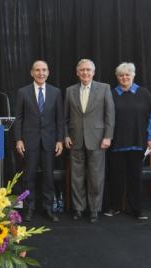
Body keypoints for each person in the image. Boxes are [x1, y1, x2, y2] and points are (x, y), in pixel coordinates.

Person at [104, 63, 151, 220]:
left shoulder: (144, 93)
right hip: (116, 142)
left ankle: (136, 209)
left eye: (127, 74)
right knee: (115, 177)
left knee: (135, 177)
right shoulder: (111, 94)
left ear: (133, 75)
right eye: (121, 75)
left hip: (138, 142)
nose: (124, 77)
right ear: (117, 77)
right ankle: (115, 206)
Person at [64, 59, 115, 223]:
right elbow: (65, 118)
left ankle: (94, 209)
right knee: (77, 176)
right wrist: (65, 135)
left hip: (98, 139)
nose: (85, 73)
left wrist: (108, 136)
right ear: (77, 73)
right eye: (82, 70)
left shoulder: (104, 88)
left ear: (93, 72)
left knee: (96, 176)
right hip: (75, 139)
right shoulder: (70, 90)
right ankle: (79, 208)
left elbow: (110, 115)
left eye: (88, 70)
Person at [14, 60, 63, 223]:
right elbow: (18, 118)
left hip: (49, 141)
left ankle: (49, 209)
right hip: (29, 141)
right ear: (32, 73)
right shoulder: (23, 92)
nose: (41, 73)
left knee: (48, 177)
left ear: (48, 72)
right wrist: (19, 139)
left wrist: (60, 140)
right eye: (37, 70)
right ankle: (29, 208)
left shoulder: (56, 92)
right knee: (29, 177)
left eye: (44, 70)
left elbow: (59, 119)